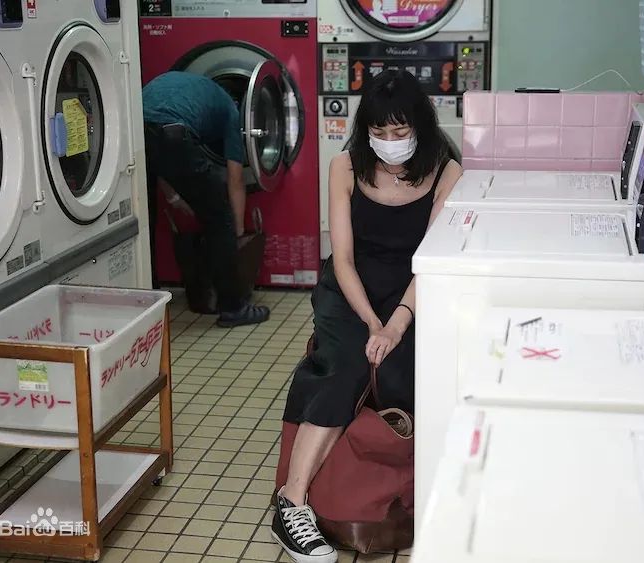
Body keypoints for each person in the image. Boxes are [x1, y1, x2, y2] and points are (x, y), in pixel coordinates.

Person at [271, 69, 462, 562]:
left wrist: (397, 323)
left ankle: (417, 495)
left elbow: (430, 261)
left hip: (413, 290)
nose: (390, 142)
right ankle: (291, 502)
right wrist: (373, 324)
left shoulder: (446, 172)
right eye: (379, 132)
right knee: (349, 364)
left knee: (408, 370)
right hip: (350, 290)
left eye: (400, 131)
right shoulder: (345, 166)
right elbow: (343, 258)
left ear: (420, 126)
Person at [142, 71, 270, 328]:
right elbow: (235, 180)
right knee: (219, 218)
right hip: (174, 136)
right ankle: (234, 309)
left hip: (134, 130)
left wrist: (173, 196)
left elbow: (157, 155)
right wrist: (236, 233)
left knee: (145, 217)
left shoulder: (190, 86)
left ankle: (148, 297)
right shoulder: (230, 113)